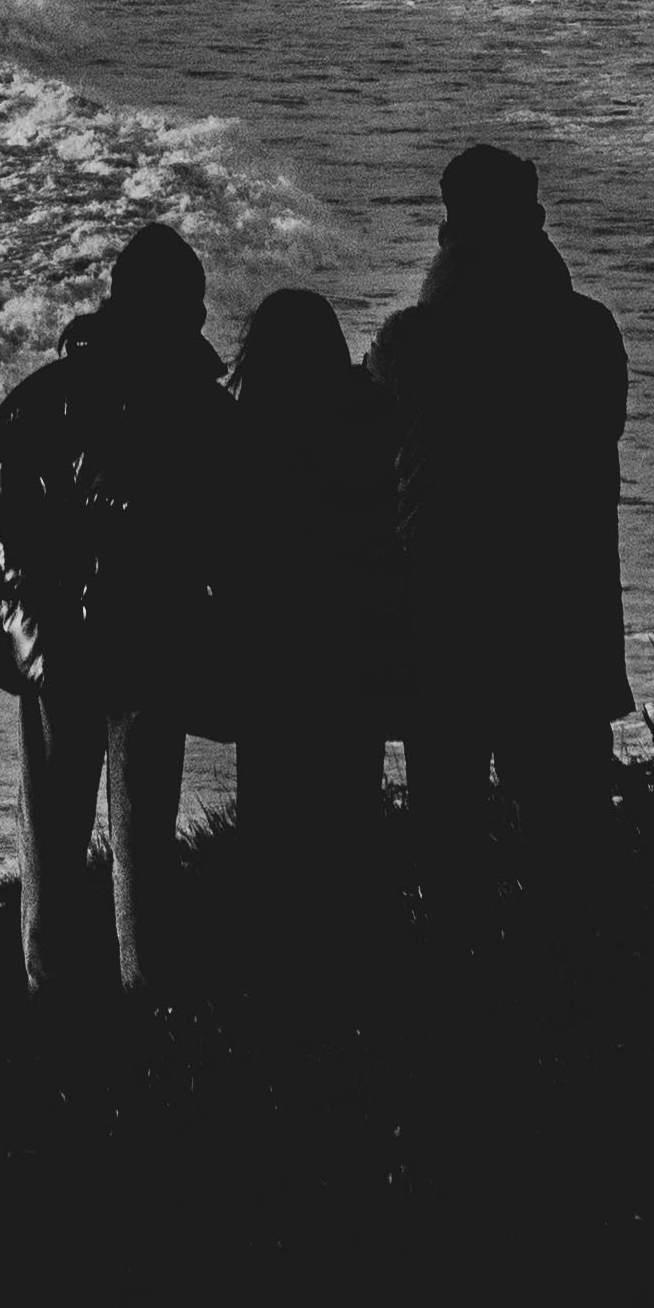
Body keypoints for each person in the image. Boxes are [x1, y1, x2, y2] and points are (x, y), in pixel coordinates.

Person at [365, 143, 629, 927]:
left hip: (445, 607)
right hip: (563, 607)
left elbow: (370, 446)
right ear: (536, 216)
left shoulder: (410, 342)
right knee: (569, 834)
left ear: (450, 227)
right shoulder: (588, 331)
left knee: (449, 833)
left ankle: (461, 995)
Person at [0, 219, 231, 1000]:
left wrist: (23, 625)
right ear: (183, 309)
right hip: (154, 641)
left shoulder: (40, 400)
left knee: (51, 830)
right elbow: (223, 530)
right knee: (142, 833)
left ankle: (49, 986)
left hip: (56, 646)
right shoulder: (200, 408)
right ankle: (146, 987)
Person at [225, 285, 405, 979]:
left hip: (273, 648)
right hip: (354, 638)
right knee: (350, 804)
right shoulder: (371, 416)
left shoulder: (248, 431)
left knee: (272, 810)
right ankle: (356, 952)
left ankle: (277, 959)